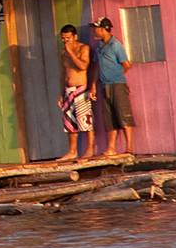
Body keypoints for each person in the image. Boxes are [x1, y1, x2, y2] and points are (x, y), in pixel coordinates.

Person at [91, 17, 135, 156]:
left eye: (97, 28)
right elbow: (97, 67)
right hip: (105, 85)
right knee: (109, 117)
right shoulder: (99, 46)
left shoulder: (115, 45)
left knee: (123, 114)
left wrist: (116, 76)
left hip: (117, 84)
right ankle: (111, 148)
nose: (95, 31)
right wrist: (93, 84)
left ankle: (129, 148)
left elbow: (126, 64)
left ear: (104, 29)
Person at [57, 24, 94, 162]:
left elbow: (83, 66)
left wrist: (71, 52)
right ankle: (72, 151)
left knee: (85, 119)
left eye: (68, 38)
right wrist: (61, 92)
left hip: (81, 88)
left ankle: (90, 148)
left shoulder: (83, 48)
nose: (65, 41)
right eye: (63, 39)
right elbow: (63, 73)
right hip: (68, 90)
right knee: (69, 122)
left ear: (74, 37)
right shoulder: (63, 53)